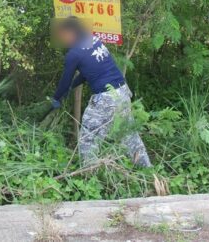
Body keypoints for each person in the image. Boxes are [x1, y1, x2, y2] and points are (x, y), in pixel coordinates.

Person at [51, 16, 152, 168]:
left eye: (63, 35)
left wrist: (56, 98)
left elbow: (65, 81)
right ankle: (147, 169)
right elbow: (87, 72)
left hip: (106, 98)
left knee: (88, 138)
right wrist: (72, 86)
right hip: (122, 92)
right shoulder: (93, 40)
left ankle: (88, 174)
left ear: (70, 32)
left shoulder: (74, 54)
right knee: (128, 135)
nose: (63, 39)